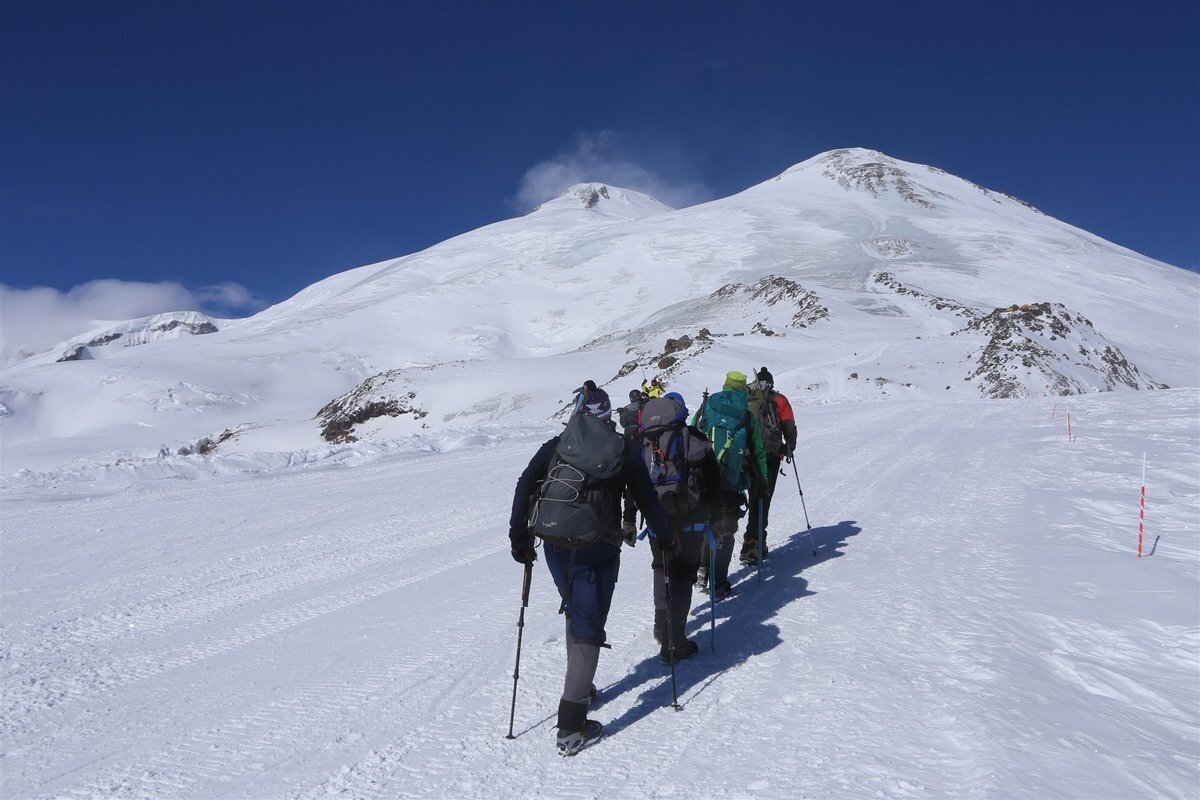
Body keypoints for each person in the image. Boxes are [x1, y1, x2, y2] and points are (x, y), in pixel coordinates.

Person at [508, 380, 672, 756]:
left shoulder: (558, 444)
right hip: (598, 547)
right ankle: (571, 726)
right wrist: (665, 538)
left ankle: (581, 686)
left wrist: (518, 537)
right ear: (607, 416)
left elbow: (524, 484)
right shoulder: (622, 450)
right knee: (588, 622)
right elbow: (646, 498)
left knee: (577, 609)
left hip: (553, 545)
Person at [636, 392, 722, 663]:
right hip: (690, 518)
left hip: (656, 518)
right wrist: (716, 518)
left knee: (661, 566)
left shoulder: (645, 443)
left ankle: (661, 627)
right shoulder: (693, 439)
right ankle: (674, 642)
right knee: (683, 575)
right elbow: (714, 481)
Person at [691, 370, 768, 599]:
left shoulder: (707, 406)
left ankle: (703, 569)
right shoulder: (745, 416)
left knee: (706, 524)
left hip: (704, 480)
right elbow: (758, 452)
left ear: (725, 385)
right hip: (731, 483)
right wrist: (761, 482)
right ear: (744, 389)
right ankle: (719, 582)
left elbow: (692, 434)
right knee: (725, 530)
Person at [743, 367, 798, 565]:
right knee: (763, 498)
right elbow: (789, 426)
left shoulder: (746, 397)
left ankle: (751, 540)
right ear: (771, 383)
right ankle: (754, 544)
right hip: (770, 456)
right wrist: (789, 448)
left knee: (753, 495)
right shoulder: (778, 400)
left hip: (746, 455)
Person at [617, 388, 648, 541]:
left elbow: (622, 422)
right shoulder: (647, 407)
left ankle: (628, 520)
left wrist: (623, 412)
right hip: (647, 449)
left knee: (630, 485)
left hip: (630, 450)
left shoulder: (627, 411)